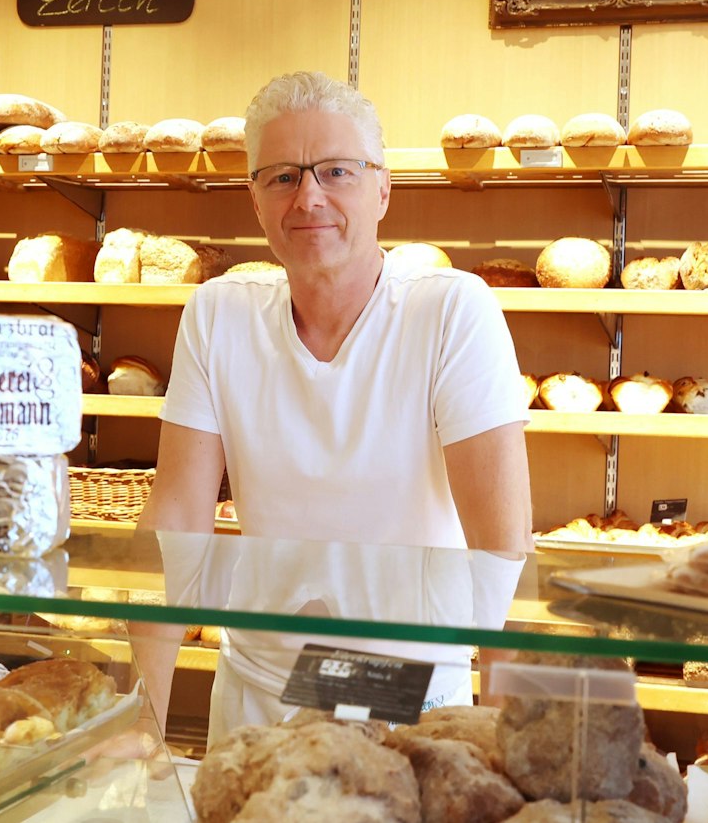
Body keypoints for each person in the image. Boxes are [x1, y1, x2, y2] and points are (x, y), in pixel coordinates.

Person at [134, 71, 533, 740]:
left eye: (336, 171)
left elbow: (502, 543)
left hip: (412, 705)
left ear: (383, 189)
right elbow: (176, 521)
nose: (309, 196)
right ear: (254, 199)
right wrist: (142, 721)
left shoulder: (450, 312)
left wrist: (497, 752)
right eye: (282, 176)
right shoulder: (217, 317)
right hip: (260, 696)